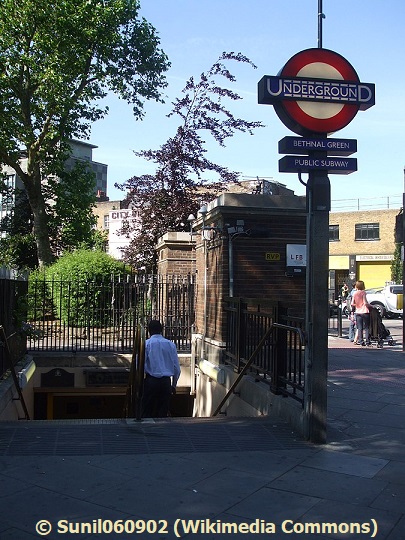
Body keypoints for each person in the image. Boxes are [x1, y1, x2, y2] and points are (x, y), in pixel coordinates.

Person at [141, 320, 181, 418]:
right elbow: (177, 368)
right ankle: (162, 431)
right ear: (161, 330)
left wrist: (141, 383)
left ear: (149, 331)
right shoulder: (171, 345)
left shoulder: (146, 344)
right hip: (165, 383)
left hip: (151, 382)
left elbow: (140, 365)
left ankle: (146, 431)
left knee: (147, 411)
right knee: (163, 413)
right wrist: (173, 385)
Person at [351, 280, 370, 346]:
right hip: (364, 311)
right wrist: (371, 306)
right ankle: (367, 341)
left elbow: (352, 303)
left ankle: (361, 341)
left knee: (359, 327)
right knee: (367, 327)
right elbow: (365, 302)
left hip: (358, 312)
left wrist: (358, 305)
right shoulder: (363, 292)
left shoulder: (355, 293)